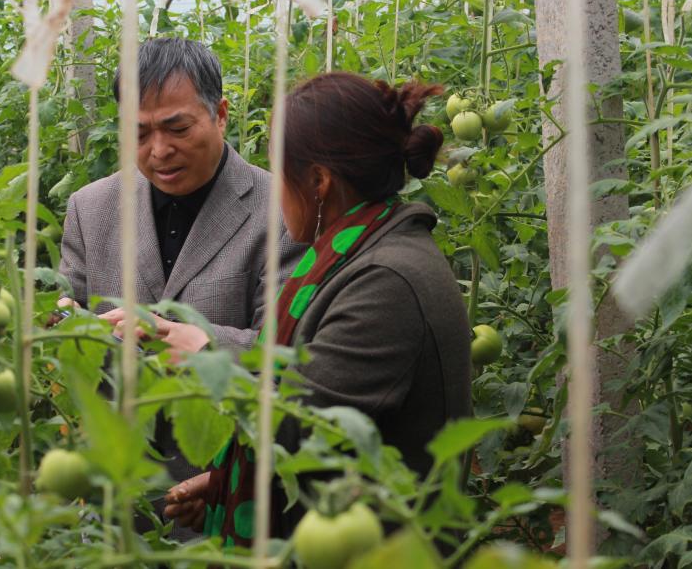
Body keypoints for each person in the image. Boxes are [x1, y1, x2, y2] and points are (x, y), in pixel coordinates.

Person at [163, 72, 473, 546]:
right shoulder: (365, 252)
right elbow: (330, 406)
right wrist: (223, 483)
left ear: (318, 182)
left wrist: (207, 355)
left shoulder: (385, 281)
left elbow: (306, 426)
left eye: (279, 174)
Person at [57, 37, 301, 538]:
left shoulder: (281, 211)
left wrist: (197, 343)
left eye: (178, 128)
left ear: (220, 115)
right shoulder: (91, 209)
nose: (159, 150)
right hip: (117, 497)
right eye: (138, 133)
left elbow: (291, 354)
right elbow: (68, 313)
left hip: (227, 495)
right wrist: (62, 324)